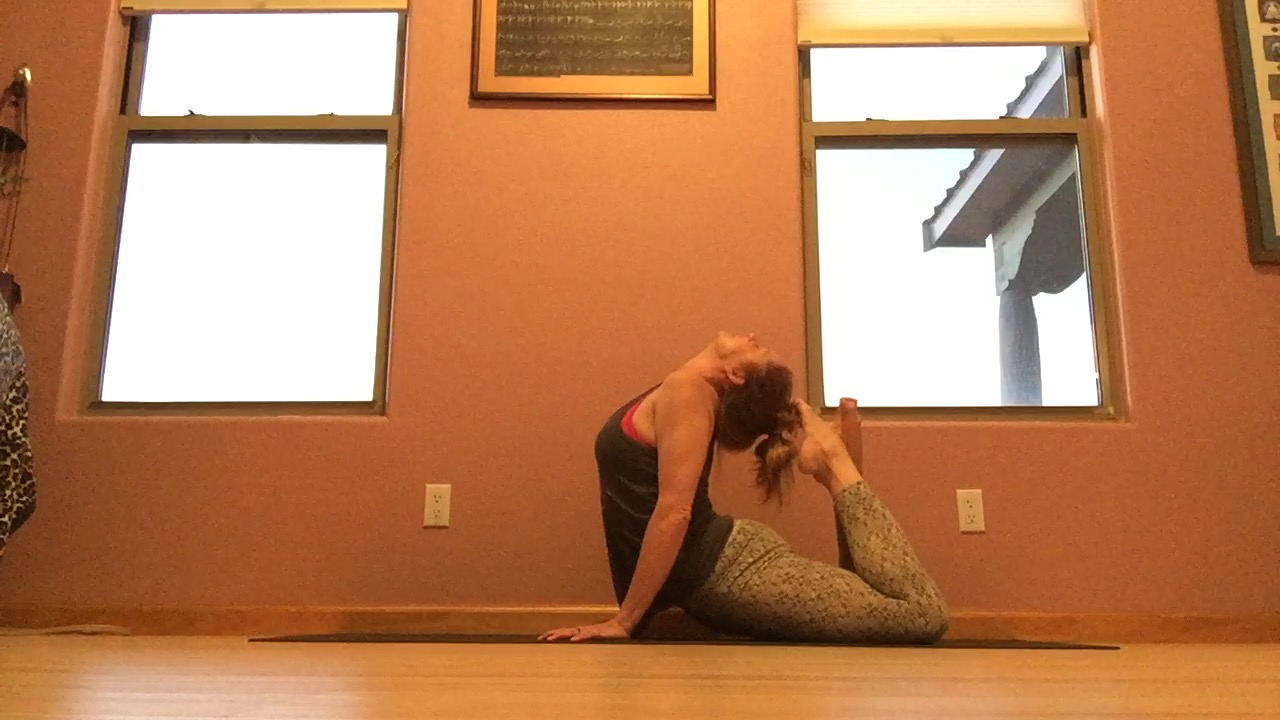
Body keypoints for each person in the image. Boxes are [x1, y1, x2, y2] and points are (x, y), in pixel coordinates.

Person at [540, 332, 948, 644]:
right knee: (871, 609)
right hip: (721, 570)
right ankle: (837, 463)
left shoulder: (688, 390)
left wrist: (624, 621)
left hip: (733, 572)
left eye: (758, 350)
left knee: (920, 613)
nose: (752, 336)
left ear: (734, 374)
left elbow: (675, 510)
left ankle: (837, 463)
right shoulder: (682, 389)